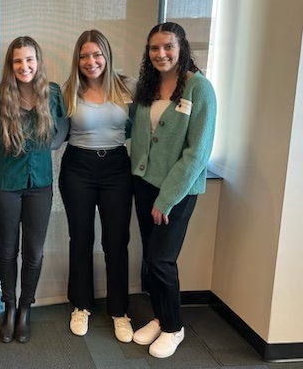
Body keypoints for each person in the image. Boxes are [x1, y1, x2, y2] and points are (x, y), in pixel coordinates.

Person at [130, 22, 216, 358]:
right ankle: (159, 316)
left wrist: (166, 199)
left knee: (161, 259)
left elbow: (198, 153)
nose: (161, 54)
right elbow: (139, 136)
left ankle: (174, 327)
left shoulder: (199, 89)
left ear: (182, 48)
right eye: (154, 48)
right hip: (143, 184)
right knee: (150, 259)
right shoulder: (148, 86)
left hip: (177, 191)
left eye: (168, 46)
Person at [0, 36, 67, 344]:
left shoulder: (53, 93)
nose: (24, 66)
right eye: (17, 61)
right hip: (2, 183)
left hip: (40, 184)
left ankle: (24, 309)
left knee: (34, 251)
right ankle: (7, 307)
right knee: (7, 249)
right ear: (10, 65)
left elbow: (63, 128)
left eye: (29, 59)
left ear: (38, 61)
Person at [59, 29, 136, 342]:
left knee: (116, 241)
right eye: (84, 56)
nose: (91, 62)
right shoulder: (69, 91)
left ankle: (119, 311)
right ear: (77, 60)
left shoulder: (128, 86)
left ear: (106, 55)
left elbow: (140, 127)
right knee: (81, 238)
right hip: (78, 167)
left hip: (117, 167)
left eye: (96, 55)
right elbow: (58, 133)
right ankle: (81, 305)